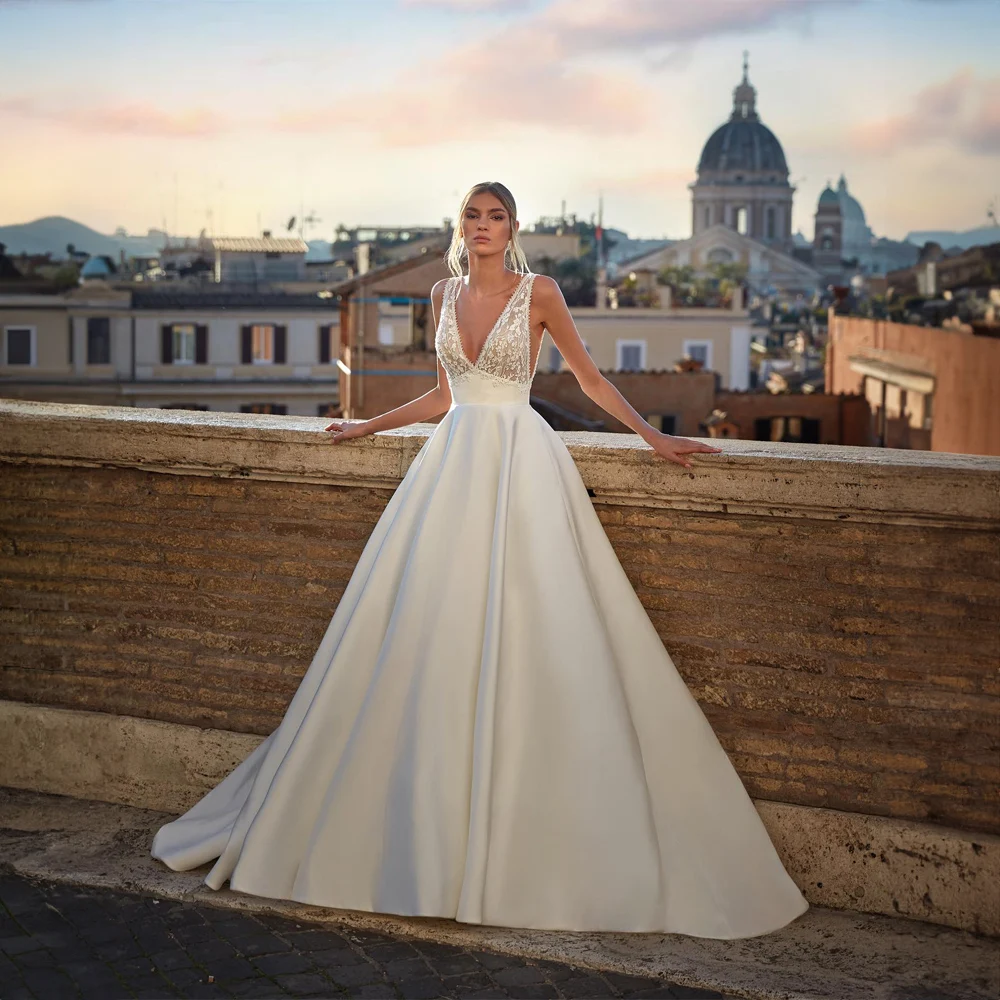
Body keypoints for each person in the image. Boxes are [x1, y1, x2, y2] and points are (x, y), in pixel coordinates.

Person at [151, 181, 810, 940]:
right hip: (449, 469)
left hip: (520, 468)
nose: (486, 226)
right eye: (474, 215)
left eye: (497, 216)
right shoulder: (441, 291)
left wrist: (654, 438)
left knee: (536, 628)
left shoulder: (542, 290)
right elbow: (442, 396)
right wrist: (366, 426)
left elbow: (588, 380)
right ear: (459, 226)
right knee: (424, 637)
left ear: (514, 227)